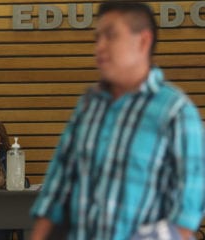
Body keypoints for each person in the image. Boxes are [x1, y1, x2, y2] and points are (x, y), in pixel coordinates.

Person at [30, 2, 205, 240]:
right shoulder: (88, 106)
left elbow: (186, 216)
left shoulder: (176, 112)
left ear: (143, 41)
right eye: (97, 38)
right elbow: (55, 191)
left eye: (110, 36)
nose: (99, 47)